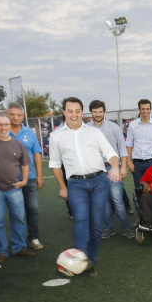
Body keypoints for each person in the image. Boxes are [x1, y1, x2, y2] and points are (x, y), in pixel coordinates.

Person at [49, 97, 121, 276]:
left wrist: (113, 167)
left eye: (77, 111)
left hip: (99, 182)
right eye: (70, 111)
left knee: (96, 224)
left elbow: (111, 153)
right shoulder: (56, 136)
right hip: (75, 184)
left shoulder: (94, 132)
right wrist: (62, 187)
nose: (74, 114)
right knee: (81, 219)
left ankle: (90, 262)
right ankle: (77, 261)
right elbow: (55, 164)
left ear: (82, 112)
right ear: (64, 112)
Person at [0, 112, 33, 261]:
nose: (3, 127)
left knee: (18, 219)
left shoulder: (17, 143)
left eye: (6, 124)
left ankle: (19, 248)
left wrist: (24, 181)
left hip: (14, 188)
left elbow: (25, 164)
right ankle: (1, 252)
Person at [87, 100, 132, 239]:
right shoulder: (86, 128)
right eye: (95, 112)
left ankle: (125, 228)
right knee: (104, 200)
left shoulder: (114, 127)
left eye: (100, 111)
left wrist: (123, 167)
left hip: (113, 167)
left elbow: (122, 148)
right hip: (96, 169)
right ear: (91, 112)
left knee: (117, 199)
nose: (98, 114)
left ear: (104, 112)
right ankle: (108, 228)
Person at [6, 102, 45, 249]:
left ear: (23, 116)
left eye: (19, 115)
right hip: (8, 179)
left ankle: (33, 238)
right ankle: (18, 242)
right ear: (7, 114)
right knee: (15, 212)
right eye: (12, 114)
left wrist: (39, 176)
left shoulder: (29, 132)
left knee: (32, 209)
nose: (15, 118)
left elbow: (36, 155)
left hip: (29, 178)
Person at [126, 99, 152, 213]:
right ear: (139, 110)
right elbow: (129, 144)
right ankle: (142, 219)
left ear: (150, 110)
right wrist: (129, 162)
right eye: (143, 109)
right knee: (140, 192)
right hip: (137, 164)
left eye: (147, 109)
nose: (145, 112)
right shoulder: (132, 125)